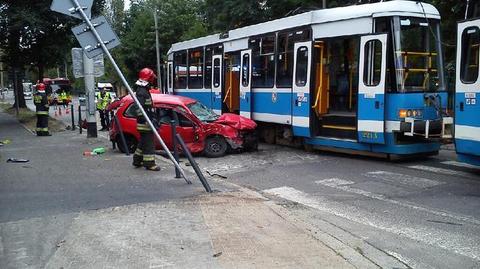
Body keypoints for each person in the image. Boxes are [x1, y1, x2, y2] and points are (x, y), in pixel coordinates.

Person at [132, 68, 161, 171]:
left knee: (143, 142)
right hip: (145, 123)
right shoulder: (142, 91)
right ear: (148, 78)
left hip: (145, 121)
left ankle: (137, 160)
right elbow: (139, 108)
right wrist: (147, 120)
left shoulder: (144, 90)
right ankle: (149, 164)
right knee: (149, 143)